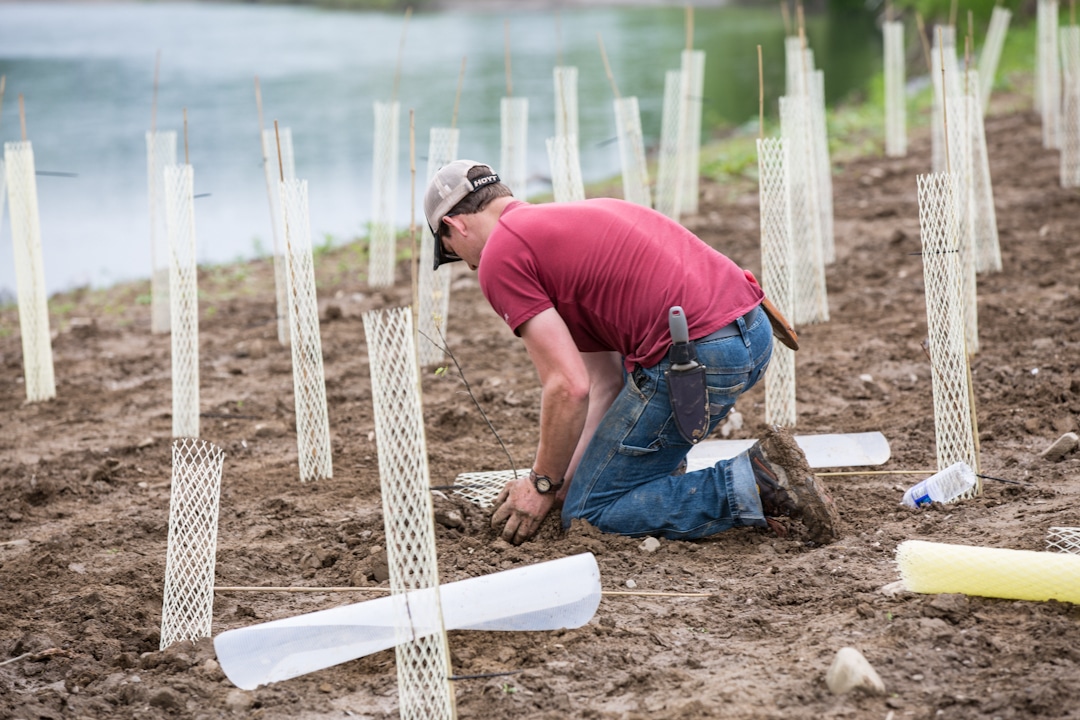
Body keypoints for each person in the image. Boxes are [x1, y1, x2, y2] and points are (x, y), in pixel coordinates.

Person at [424, 159, 840, 546]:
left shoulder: (501, 254)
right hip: (752, 332)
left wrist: (541, 484)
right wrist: (566, 480)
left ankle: (755, 482)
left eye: (451, 253)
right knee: (586, 487)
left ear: (454, 225)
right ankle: (663, 474)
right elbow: (604, 385)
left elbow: (568, 388)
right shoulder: (564, 225)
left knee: (591, 512)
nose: (469, 266)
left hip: (698, 356)